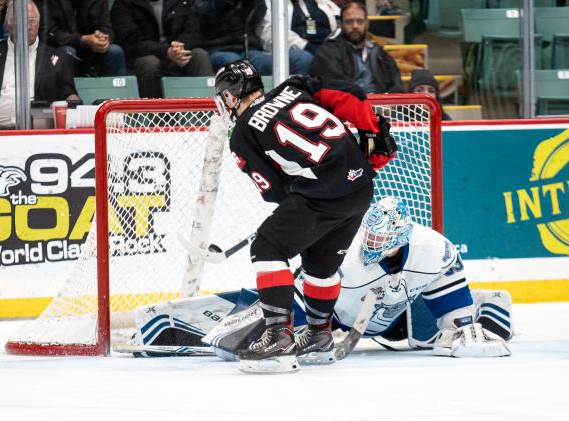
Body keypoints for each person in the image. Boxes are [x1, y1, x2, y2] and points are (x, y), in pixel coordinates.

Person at [128, 197, 512, 360]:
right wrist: (295, 329)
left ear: (402, 235)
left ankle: (489, 306)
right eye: (372, 236)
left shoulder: (434, 249)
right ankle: (171, 323)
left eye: (384, 240)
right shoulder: (347, 253)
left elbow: (453, 307)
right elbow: (299, 296)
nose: (375, 245)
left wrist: (463, 326)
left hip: (400, 319)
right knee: (250, 333)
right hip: (333, 318)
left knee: (462, 327)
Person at [211, 59, 397, 373]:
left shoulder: (241, 134)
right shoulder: (294, 87)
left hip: (322, 192)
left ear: (230, 95)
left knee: (268, 248)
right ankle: (319, 337)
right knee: (320, 264)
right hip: (361, 187)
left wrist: (301, 200)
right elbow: (350, 93)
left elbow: (273, 190)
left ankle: (278, 339)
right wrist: (372, 131)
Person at [0, 0, 80, 130]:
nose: (29, 27)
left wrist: (72, 99)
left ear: (38, 24)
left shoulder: (57, 59)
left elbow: (70, 96)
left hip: (39, 134)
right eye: (23, 21)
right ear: (9, 25)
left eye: (32, 21)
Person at [110, 0, 213, 98]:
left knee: (200, 55)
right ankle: (152, 114)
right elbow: (130, 41)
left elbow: (195, 33)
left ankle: (208, 111)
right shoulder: (124, 3)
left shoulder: (181, 1)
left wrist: (178, 49)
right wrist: (166, 51)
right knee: (150, 63)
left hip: (176, 54)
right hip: (142, 57)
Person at [309, 0, 403, 94]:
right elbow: (334, 89)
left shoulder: (380, 54)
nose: (355, 26)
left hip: (381, 106)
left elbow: (397, 87)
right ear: (341, 24)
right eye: (349, 22)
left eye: (360, 21)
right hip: (346, 105)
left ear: (367, 24)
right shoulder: (327, 53)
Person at [194, 0, 308, 75]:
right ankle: (241, 110)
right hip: (218, 48)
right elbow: (201, 11)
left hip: (250, 48)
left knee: (270, 63)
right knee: (235, 64)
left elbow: (260, 14)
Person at [44, 0, 126, 77]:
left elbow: (106, 26)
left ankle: (114, 91)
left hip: (92, 51)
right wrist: (83, 40)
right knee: (67, 52)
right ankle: (67, 92)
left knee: (115, 51)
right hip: (58, 50)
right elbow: (50, 34)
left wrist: (102, 39)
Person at [257, 0, 341, 75]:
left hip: (326, 49)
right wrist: (306, 46)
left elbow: (343, 24)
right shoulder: (273, 3)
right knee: (304, 58)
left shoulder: (324, 3)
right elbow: (268, 32)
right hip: (295, 51)